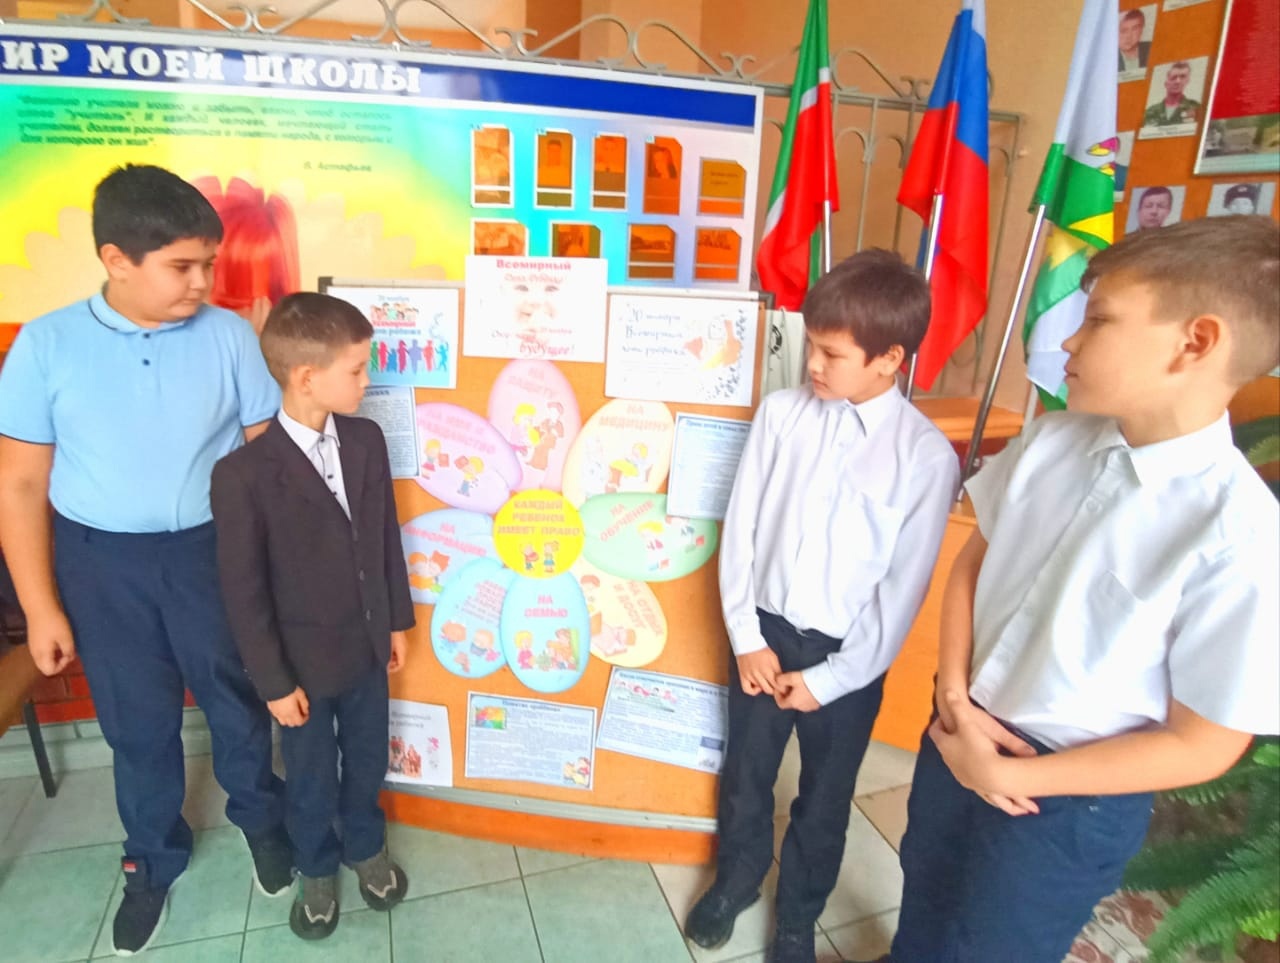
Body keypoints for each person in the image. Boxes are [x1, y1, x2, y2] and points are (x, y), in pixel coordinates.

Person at [871, 216, 1280, 963]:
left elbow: (1204, 743)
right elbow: (973, 564)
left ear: (1195, 341)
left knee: (992, 946)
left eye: (1098, 320)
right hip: (960, 724)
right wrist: (955, 697)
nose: (1067, 343)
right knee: (925, 892)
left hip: (1062, 800)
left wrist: (1010, 771)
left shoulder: (1239, 535)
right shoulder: (1052, 438)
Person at [0, 164, 291, 955]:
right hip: (102, 564)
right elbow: (20, 484)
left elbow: (266, 456)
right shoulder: (46, 345)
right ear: (116, 259)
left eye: (209, 264)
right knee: (136, 721)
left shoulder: (230, 337)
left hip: (211, 551)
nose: (203, 283)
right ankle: (152, 857)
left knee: (237, 697)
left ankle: (263, 820)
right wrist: (41, 607)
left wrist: (276, 573)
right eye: (182, 266)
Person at [684, 250, 959, 963]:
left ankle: (797, 917)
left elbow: (901, 591)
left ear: (890, 359)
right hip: (764, 634)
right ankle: (736, 879)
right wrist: (745, 634)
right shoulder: (781, 415)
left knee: (825, 795)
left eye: (832, 353)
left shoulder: (925, 457)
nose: (813, 364)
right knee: (746, 773)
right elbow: (742, 528)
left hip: (848, 658)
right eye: (812, 344)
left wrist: (832, 679)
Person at [210, 292, 414, 940]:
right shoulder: (243, 475)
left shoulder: (366, 440)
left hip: (367, 647)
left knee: (367, 756)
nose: (366, 380)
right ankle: (316, 864)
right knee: (309, 773)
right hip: (299, 668)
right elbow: (244, 592)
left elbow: (383, 537)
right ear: (306, 376)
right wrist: (273, 683)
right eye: (355, 369)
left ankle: (364, 844)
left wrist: (397, 620)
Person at [1143, 60, 1201, 127]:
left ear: (1187, 80)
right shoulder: (1150, 111)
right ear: (1166, 81)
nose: (1178, 81)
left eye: (1182, 77)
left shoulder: (1196, 108)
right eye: (1174, 77)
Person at [1117, 8, 1150, 74]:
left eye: (1135, 29)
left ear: (1142, 29)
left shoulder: (1151, 48)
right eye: (1123, 31)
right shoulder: (1109, 58)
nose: (1129, 36)